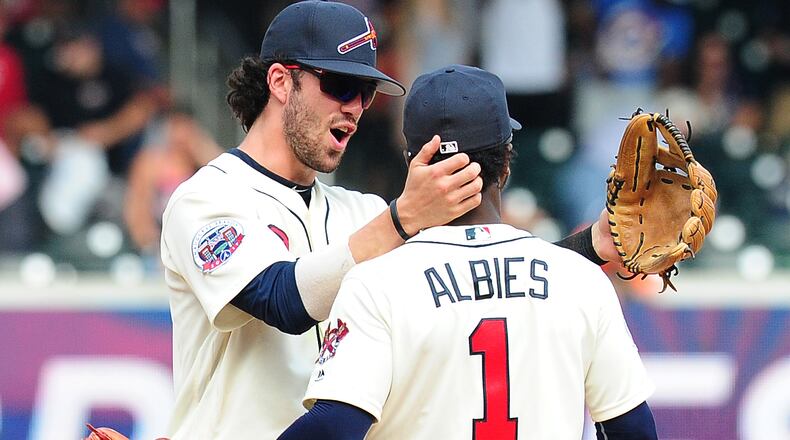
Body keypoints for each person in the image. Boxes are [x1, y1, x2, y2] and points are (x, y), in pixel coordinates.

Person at [160, 2, 615, 439]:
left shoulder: (361, 212)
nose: (356, 107)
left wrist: (590, 246)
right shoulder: (208, 197)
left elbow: (482, 280)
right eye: (340, 84)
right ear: (280, 81)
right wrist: (402, 218)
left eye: (366, 92)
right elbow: (281, 301)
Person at [278, 65, 657, 439]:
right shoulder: (580, 281)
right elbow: (634, 430)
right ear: (505, 163)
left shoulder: (376, 285)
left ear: (413, 163)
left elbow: (333, 428)